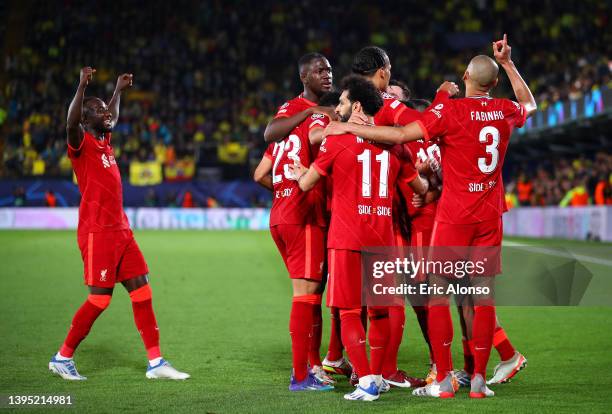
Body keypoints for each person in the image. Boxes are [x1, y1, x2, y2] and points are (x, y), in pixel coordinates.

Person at [324, 34, 537, 398]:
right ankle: (481, 380)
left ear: (466, 78)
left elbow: (402, 132)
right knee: (482, 297)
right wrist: (509, 63)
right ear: (495, 83)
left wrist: (349, 127)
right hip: (489, 216)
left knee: (437, 294)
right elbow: (529, 104)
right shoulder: (504, 110)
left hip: (454, 216)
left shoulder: (450, 112)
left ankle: (444, 378)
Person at [291, 75, 429, 401]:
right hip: (383, 239)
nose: (337, 108)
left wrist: (299, 175)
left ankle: (366, 379)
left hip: (346, 238)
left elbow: (308, 183)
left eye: (340, 102)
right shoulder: (395, 147)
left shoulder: (336, 141)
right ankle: (378, 376)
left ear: (355, 106)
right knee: (379, 312)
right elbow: (421, 188)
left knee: (350, 312)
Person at [49, 67, 189, 381]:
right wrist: (82, 86)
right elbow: (71, 121)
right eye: (96, 110)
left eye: (104, 109)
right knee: (99, 298)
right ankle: (62, 357)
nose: (105, 113)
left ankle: (156, 363)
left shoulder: (104, 141)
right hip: (98, 232)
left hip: (122, 232)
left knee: (142, 291)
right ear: (86, 120)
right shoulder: (80, 143)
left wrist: (117, 91)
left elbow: (110, 115)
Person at [253, 91, 340, 392]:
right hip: (304, 215)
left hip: (280, 215)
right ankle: (301, 375)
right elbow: (317, 134)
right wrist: (339, 124)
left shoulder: (286, 131)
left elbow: (259, 174)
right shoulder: (316, 119)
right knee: (305, 296)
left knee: (312, 295)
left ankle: (313, 365)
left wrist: (282, 193)